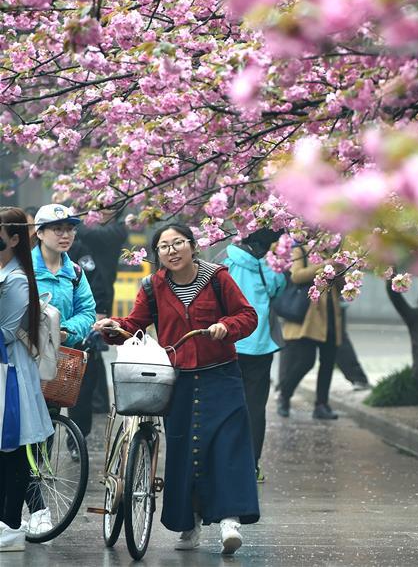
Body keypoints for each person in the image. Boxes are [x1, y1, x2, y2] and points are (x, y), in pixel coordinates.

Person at [94, 223, 259, 555]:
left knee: (227, 447)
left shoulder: (218, 278)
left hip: (222, 376)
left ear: (193, 246)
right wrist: (113, 327)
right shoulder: (153, 286)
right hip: (179, 380)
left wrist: (224, 327)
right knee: (186, 452)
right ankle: (190, 521)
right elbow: (134, 324)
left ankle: (229, 519)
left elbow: (247, 315)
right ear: (157, 254)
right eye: (164, 246)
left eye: (178, 243)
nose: (172, 250)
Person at [0, 207, 54, 552]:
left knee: (15, 451)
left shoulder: (17, 280)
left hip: (12, 376)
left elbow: (5, 331)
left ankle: (11, 527)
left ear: (15, 239)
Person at [222, 229, 286, 483]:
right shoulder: (269, 268)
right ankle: (251, 465)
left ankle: (225, 461)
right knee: (255, 409)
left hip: (228, 345)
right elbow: (277, 291)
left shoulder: (223, 263)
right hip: (259, 346)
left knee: (225, 405)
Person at [31, 205, 97, 444]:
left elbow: (87, 311)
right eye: (57, 229)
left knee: (47, 423)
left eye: (70, 229)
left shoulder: (75, 272)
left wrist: (65, 331)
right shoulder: (22, 268)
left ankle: (39, 480)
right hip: (23, 356)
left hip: (56, 360)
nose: (65, 235)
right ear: (39, 232)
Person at [66, 209, 128, 423]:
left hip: (98, 294)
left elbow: (92, 235)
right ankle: (97, 400)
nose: (102, 213)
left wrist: (74, 222)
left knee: (92, 350)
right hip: (87, 292)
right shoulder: (81, 238)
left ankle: (98, 400)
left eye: (109, 208)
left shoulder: (117, 230)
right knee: (92, 352)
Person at [276, 245, 342, 420]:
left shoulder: (333, 254)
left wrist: (340, 270)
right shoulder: (301, 251)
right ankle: (284, 395)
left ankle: (321, 405)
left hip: (330, 315)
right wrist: (324, 266)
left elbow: (341, 287)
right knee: (306, 361)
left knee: (328, 362)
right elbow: (296, 276)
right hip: (308, 317)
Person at [335, 304, 370, 390]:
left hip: (330, 303)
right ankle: (358, 378)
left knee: (337, 341)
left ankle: (358, 378)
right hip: (315, 303)